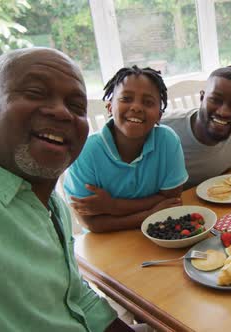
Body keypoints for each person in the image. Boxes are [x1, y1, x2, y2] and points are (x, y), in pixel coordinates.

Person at [0, 47, 133, 331]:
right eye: (35, 92)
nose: (61, 113)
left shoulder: (49, 199)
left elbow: (75, 296)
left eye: (76, 107)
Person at [64, 66, 188, 233]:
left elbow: (171, 199)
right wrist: (149, 214)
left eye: (148, 102)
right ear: (109, 107)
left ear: (159, 115)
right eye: (126, 99)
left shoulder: (167, 141)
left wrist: (112, 206)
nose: (136, 107)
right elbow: (90, 223)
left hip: (160, 231)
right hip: (106, 243)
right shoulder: (86, 151)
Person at [161, 67, 231, 188]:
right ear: (202, 98)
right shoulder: (163, 128)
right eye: (215, 100)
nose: (223, 112)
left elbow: (227, 184)